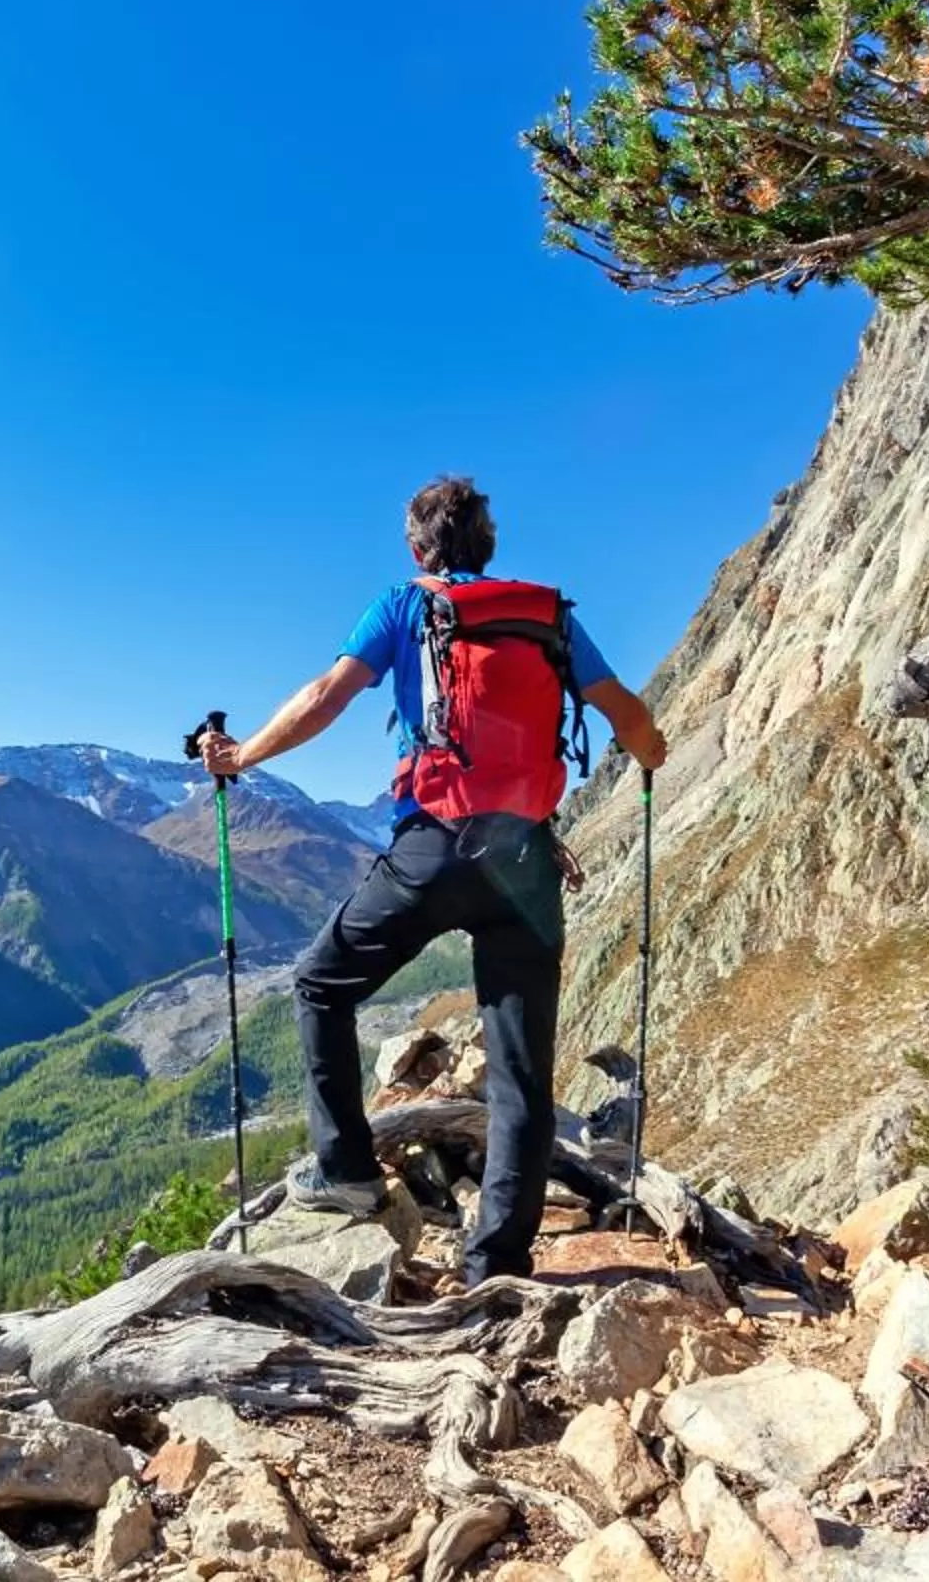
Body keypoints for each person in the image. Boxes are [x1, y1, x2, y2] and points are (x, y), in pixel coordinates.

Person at [197, 474, 666, 1284]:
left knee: (320, 984)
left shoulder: (404, 605)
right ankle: (498, 1266)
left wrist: (240, 758)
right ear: (488, 546)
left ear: (417, 547)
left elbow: (324, 696)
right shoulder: (549, 616)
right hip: (525, 858)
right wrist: (651, 754)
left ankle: (344, 1171)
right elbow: (624, 713)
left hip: (435, 848)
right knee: (520, 1068)